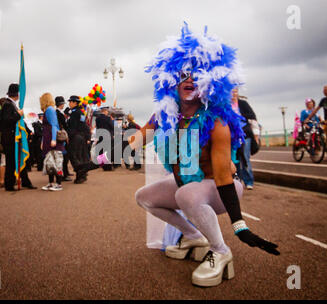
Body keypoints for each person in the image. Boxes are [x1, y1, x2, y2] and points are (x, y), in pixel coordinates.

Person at [99, 24, 279, 287]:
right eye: (184, 74)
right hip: (187, 182)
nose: (190, 80)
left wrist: (239, 225)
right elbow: (139, 138)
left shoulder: (216, 120)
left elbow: (222, 175)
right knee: (145, 197)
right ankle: (194, 235)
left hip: (219, 187)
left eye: (198, 75)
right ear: (173, 78)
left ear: (210, 81)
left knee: (186, 195)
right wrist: (107, 155)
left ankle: (220, 251)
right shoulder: (166, 114)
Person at [0, 83, 36, 191]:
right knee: (11, 162)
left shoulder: (12, 104)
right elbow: (7, 120)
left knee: (19, 160)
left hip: (15, 138)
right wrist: (18, 114)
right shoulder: (8, 104)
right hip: (10, 139)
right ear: (17, 94)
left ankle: (25, 181)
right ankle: (9, 185)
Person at [231, 89, 259, 190]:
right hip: (232, 137)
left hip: (245, 135)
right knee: (235, 160)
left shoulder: (243, 104)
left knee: (245, 158)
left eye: (235, 92)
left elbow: (253, 119)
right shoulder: (226, 105)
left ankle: (249, 181)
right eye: (231, 91)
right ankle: (237, 181)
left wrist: (256, 136)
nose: (233, 94)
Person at [40, 93, 65, 191]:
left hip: (51, 139)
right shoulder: (49, 110)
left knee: (56, 162)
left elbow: (54, 125)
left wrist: (54, 139)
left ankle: (58, 183)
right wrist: (43, 141)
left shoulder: (49, 110)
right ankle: (51, 183)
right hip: (48, 139)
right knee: (50, 163)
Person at [67, 95, 91, 183]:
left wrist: (69, 137)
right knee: (80, 157)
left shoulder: (75, 113)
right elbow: (84, 125)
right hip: (81, 136)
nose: (69, 103)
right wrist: (87, 136)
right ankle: (82, 175)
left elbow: (73, 127)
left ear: (74, 102)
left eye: (70, 102)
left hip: (75, 137)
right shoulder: (80, 112)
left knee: (74, 157)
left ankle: (80, 175)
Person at [54, 96, 71, 181]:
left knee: (64, 157)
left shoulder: (57, 113)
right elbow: (64, 126)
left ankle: (65, 172)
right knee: (64, 157)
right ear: (61, 104)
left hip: (60, 136)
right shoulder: (58, 113)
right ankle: (64, 174)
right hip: (61, 137)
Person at [95, 106, 115, 171]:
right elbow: (112, 126)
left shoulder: (97, 119)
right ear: (104, 111)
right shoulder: (108, 118)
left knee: (100, 151)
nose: (107, 113)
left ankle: (102, 164)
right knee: (107, 151)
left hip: (100, 135)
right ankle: (108, 167)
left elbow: (97, 128)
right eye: (107, 111)